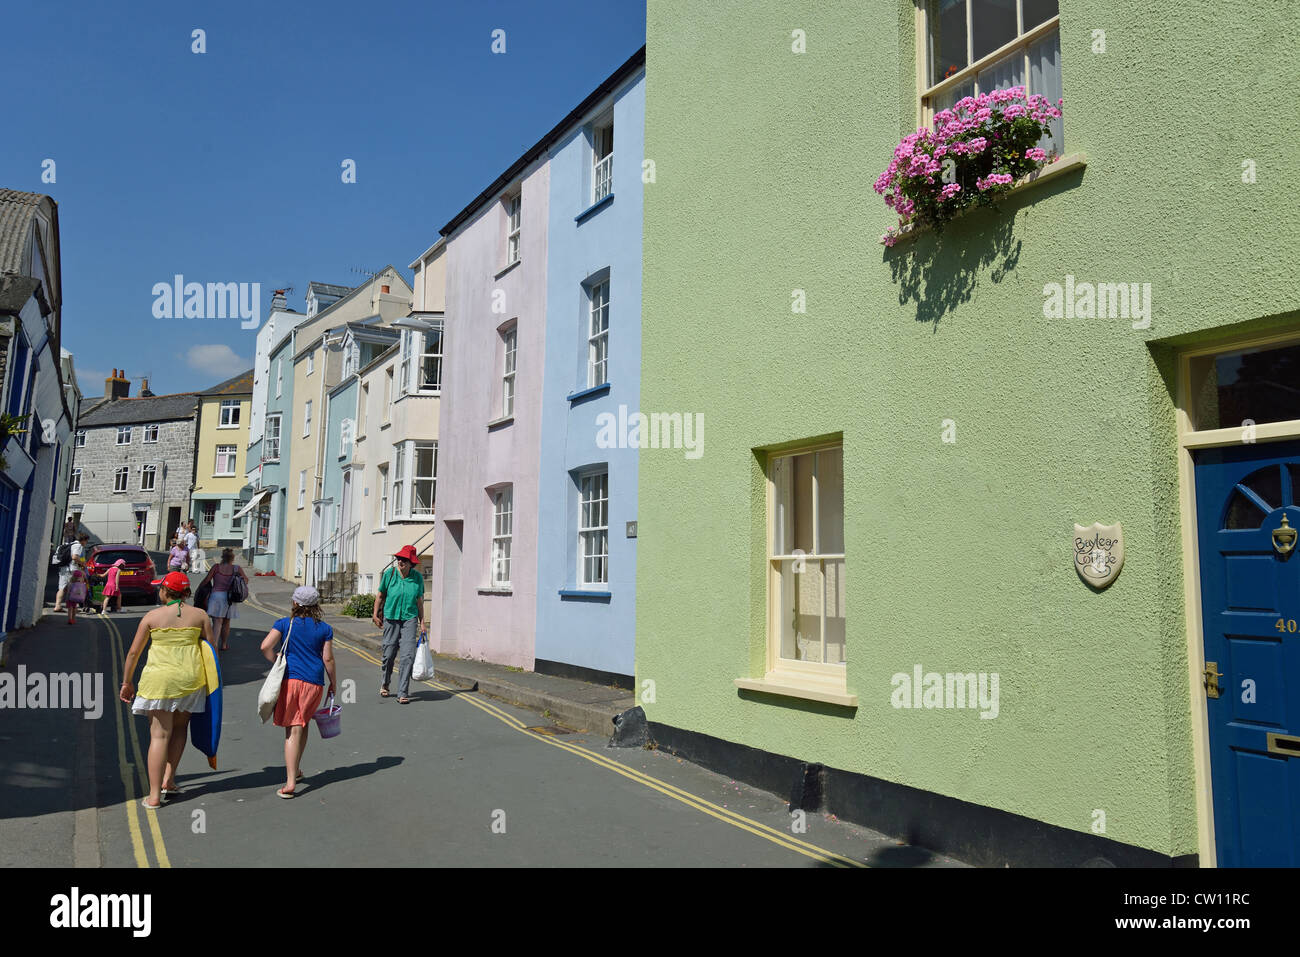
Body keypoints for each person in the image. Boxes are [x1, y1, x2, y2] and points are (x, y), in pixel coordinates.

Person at [119, 571, 213, 809]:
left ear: (164, 591)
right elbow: (211, 652)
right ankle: (168, 780)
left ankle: (153, 796)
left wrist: (127, 682)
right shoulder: (200, 615)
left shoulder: (152, 616)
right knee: (180, 727)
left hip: (159, 680)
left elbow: (133, 653)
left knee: (159, 735)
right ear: (186, 593)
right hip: (190, 679)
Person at [260, 586, 336, 798]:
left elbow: (265, 646)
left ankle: (291, 782)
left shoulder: (285, 624)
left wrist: (276, 660)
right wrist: (334, 683)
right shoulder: (325, 629)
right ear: (315, 605)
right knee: (302, 724)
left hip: (291, 680)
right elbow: (328, 659)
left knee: (292, 730)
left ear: (295, 603)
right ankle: (297, 769)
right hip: (314, 682)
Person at [371, 545, 424, 704]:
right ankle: (385, 683)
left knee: (408, 656)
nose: (400, 561)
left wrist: (422, 622)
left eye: (404, 560)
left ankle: (403, 692)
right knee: (388, 654)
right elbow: (380, 595)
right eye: (399, 559)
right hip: (391, 617)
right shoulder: (390, 574)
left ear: (411, 563)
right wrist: (375, 614)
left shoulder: (417, 578)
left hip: (409, 618)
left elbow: (419, 601)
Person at [197, 548, 248, 652]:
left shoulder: (216, 567)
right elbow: (246, 580)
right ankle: (224, 644)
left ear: (222, 557)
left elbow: (207, 580)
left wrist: (199, 589)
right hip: (230, 598)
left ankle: (214, 644)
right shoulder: (236, 568)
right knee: (226, 622)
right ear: (232, 558)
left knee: (217, 621)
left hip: (216, 596)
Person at [51, 530, 84, 612]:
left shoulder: (69, 545)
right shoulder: (78, 545)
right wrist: (82, 563)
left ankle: (57, 606)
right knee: (73, 588)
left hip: (63, 568)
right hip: (71, 569)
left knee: (62, 588)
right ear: (83, 540)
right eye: (86, 541)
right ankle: (72, 607)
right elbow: (74, 557)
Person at [65, 559, 89, 625]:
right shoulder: (81, 585)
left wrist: (66, 598)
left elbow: (67, 591)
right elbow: (84, 591)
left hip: (70, 598)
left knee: (70, 609)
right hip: (76, 599)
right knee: (74, 608)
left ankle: (69, 619)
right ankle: (73, 619)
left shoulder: (70, 583)